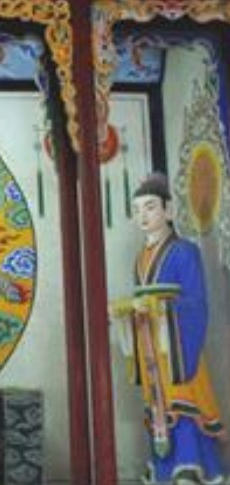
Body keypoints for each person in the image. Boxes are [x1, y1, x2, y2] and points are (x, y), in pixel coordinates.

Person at [111, 173, 226, 484]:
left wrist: (160, 308)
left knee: (183, 400)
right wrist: (130, 311)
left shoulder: (185, 251)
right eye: (137, 210)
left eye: (150, 207)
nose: (143, 216)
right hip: (150, 343)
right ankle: (162, 466)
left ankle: (190, 465)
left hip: (177, 343)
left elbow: (196, 301)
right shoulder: (140, 259)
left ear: (169, 210)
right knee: (156, 403)